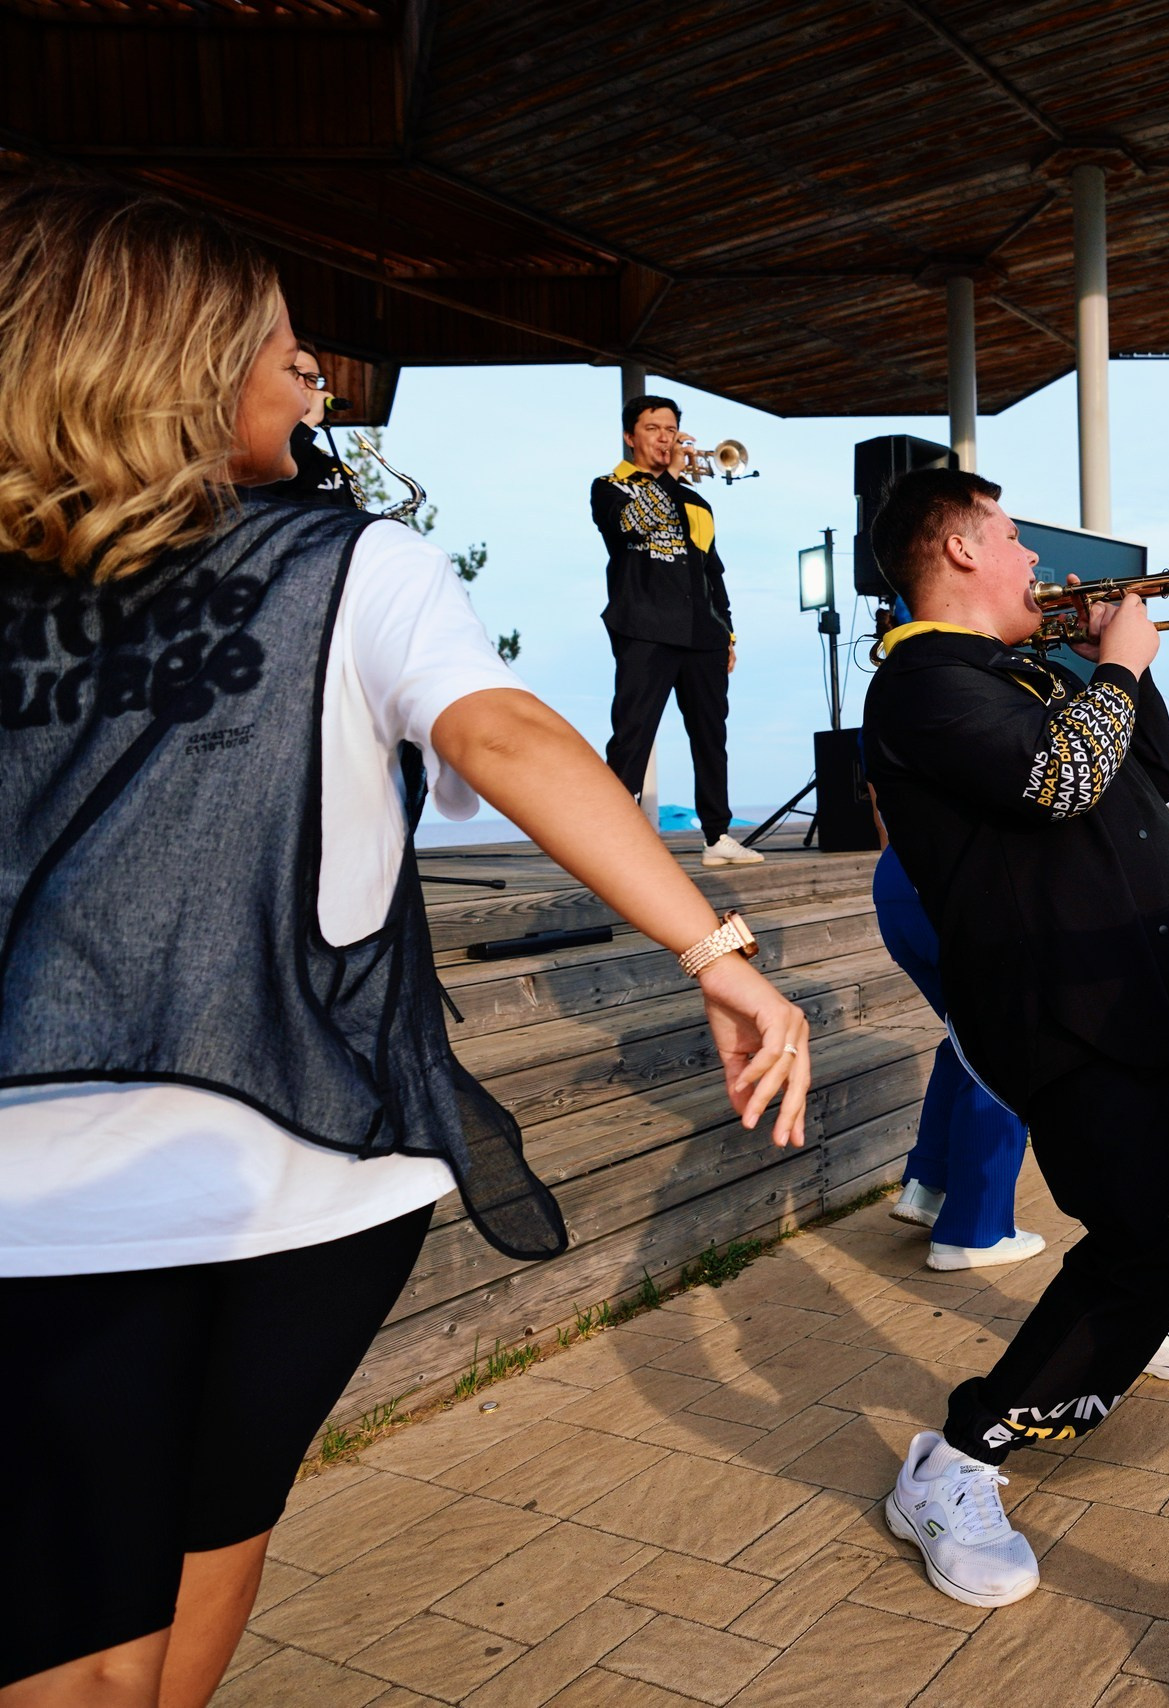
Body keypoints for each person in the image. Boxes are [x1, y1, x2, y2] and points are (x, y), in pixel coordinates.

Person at [0, 181, 813, 1708]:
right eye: (293, 357)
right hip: (317, 1171)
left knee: (76, 1640)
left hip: (50, 1190)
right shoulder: (345, 561)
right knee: (206, 1533)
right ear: (187, 367)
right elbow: (500, 729)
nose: (316, 385)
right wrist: (717, 953)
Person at [858, 466, 1169, 1610]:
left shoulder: (1025, 666)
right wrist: (1116, 661)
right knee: (1146, 1245)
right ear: (963, 550)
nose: (1037, 561)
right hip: (1071, 1015)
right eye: (1014, 540)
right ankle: (957, 1462)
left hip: (1166, 984)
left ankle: (1135, 1331)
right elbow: (1058, 775)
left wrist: (1108, 659)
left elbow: (1149, 770)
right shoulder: (921, 685)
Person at [593, 394, 761, 867]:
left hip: (701, 634)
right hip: (644, 627)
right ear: (631, 436)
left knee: (711, 736)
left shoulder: (696, 501)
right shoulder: (611, 488)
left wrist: (726, 632)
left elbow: (712, 571)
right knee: (632, 735)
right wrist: (668, 478)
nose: (666, 438)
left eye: (671, 429)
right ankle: (608, 836)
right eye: (653, 428)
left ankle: (717, 836)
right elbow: (630, 526)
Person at [876, 832, 1041, 1271]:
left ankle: (929, 1184)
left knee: (971, 1034)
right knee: (1005, 1047)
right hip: (964, 883)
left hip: (900, 875)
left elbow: (881, 799)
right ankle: (974, 1231)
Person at [259, 347, 357, 508]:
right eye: (293, 372)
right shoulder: (238, 443)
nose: (303, 385)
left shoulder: (322, 459)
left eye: (312, 379)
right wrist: (308, 421)